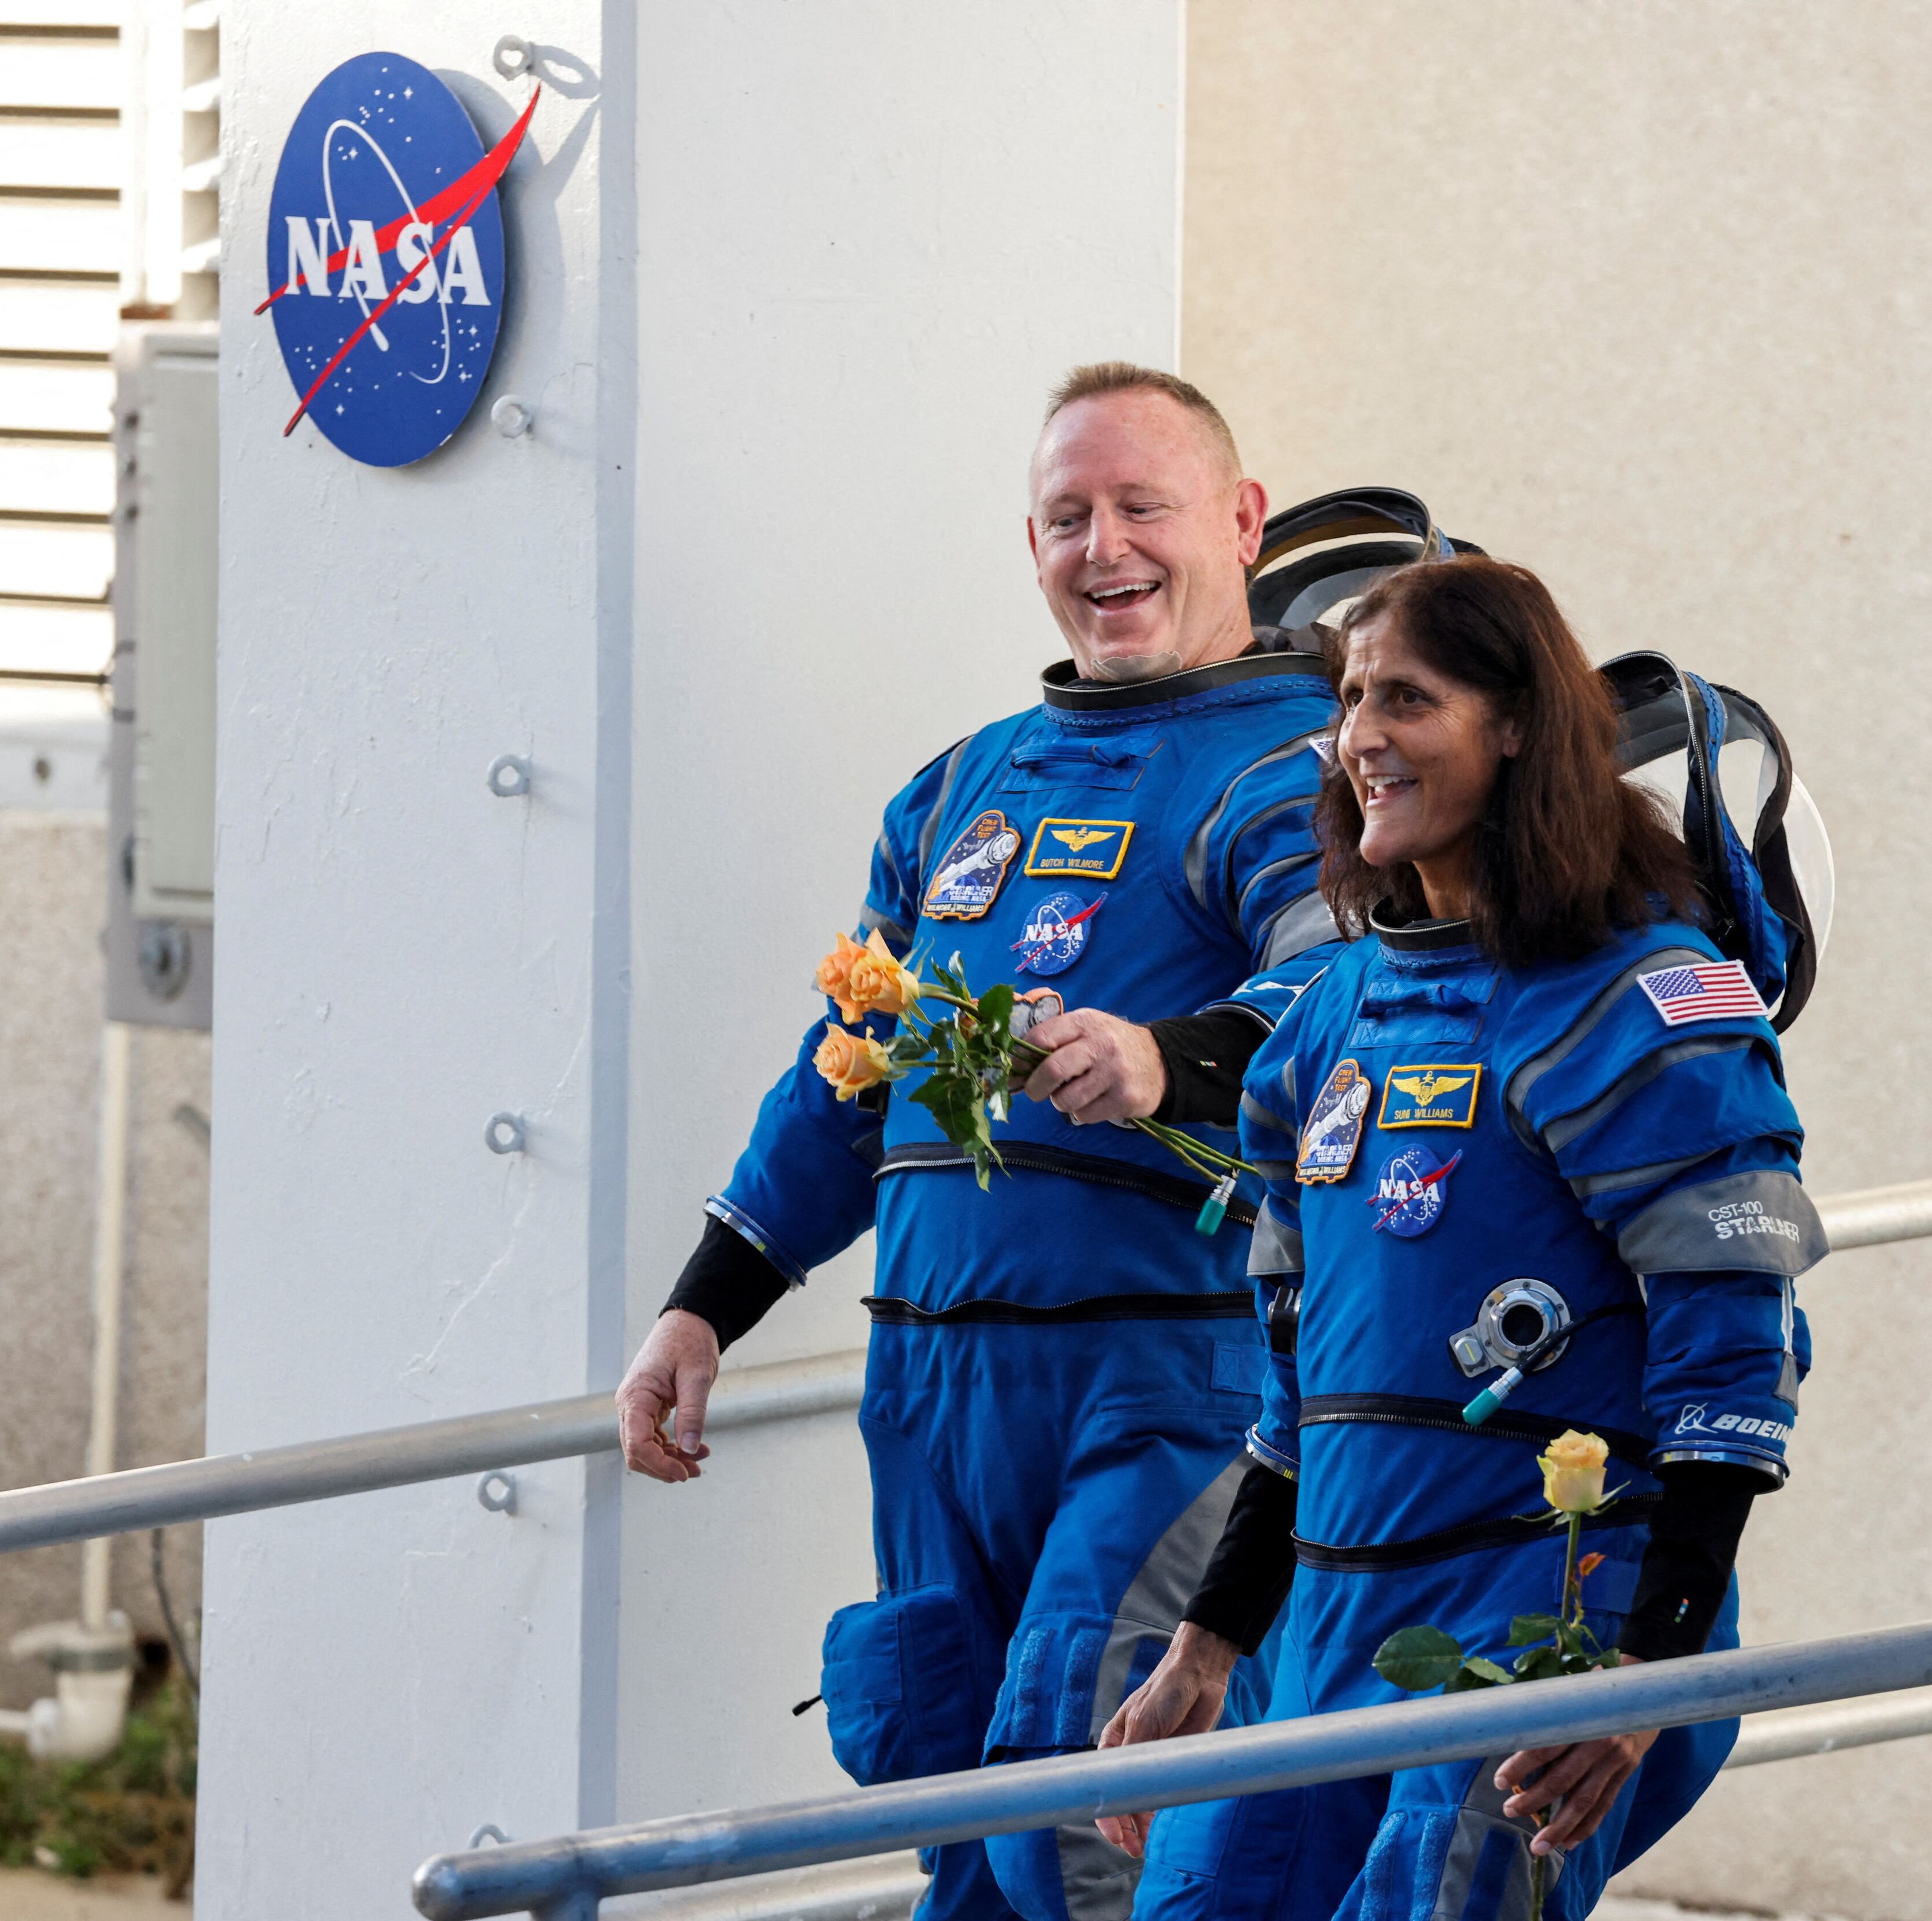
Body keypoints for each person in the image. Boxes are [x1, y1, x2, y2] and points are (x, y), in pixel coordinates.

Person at [612, 364, 1343, 1921]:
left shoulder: (1303, 777)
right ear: (1029, 542)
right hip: (932, 1390)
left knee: (1081, 1814)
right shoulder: (959, 790)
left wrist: (1168, 1059)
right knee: (955, 1802)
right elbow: (847, 1071)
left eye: (1144, 506)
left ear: (1241, 520)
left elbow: (1343, 996)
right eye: (1068, 516)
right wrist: (702, 1305)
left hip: (1163, 1381)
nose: (1107, 547)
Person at [1092, 556, 1824, 1919]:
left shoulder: (1635, 1003)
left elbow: (1735, 1366)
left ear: (1517, 727)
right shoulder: (1328, 1017)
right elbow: (1294, 1393)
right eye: (1353, 697)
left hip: (1541, 1635)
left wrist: (1644, 1680)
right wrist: (1205, 1646)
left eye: (1408, 699)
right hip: (1319, 1635)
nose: (1361, 735)